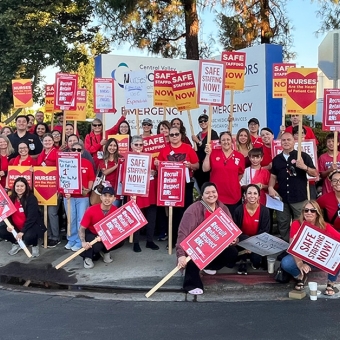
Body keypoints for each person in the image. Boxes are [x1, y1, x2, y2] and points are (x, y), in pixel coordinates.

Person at [177, 182, 239, 295]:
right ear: (202, 195)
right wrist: (181, 255)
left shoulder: (222, 208)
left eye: (214, 192)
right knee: (193, 254)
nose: (211, 195)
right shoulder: (192, 210)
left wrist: (234, 239)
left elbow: (231, 228)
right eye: (207, 193)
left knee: (232, 253)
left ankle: (209, 266)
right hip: (196, 246)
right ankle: (190, 284)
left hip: (214, 246)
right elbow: (183, 233)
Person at [281, 200, 340, 295]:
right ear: (303, 212)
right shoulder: (297, 224)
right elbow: (292, 248)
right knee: (286, 262)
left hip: (318, 259)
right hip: (301, 258)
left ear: (317, 213)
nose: (309, 213)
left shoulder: (325, 226)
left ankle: (330, 282)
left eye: (312, 211)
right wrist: (300, 263)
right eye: (306, 210)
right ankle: (300, 276)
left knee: (338, 256)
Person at [268, 132, 318, 241]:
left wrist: (304, 167)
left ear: (293, 141)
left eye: (288, 140)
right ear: (280, 142)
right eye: (284, 140)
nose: (286, 142)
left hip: (299, 197)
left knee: (300, 223)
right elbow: (273, 176)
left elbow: (315, 173)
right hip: (282, 198)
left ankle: (299, 246)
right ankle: (287, 246)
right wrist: (270, 187)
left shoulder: (302, 156)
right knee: (283, 222)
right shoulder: (277, 159)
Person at [157, 127, 199, 247]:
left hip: (186, 184)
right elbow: (159, 166)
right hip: (171, 185)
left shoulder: (188, 148)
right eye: (171, 135)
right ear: (168, 137)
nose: (174, 136)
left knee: (186, 213)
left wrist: (190, 165)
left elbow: (197, 165)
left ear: (181, 135)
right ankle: (173, 240)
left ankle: (186, 240)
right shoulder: (164, 150)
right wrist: (157, 165)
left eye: (176, 134)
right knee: (173, 214)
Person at [126, 135, 159, 252]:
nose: (139, 146)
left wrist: (155, 171)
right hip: (135, 192)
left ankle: (150, 240)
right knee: (136, 217)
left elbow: (155, 173)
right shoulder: (127, 158)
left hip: (150, 192)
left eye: (141, 144)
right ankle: (136, 242)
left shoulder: (149, 157)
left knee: (151, 216)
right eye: (136, 144)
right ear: (131, 146)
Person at [79, 186, 125, 269]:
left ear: (114, 199)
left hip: (105, 235)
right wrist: (83, 242)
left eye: (110, 196)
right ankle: (87, 258)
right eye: (105, 195)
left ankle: (105, 251)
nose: (107, 198)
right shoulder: (91, 210)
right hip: (92, 234)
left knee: (121, 240)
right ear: (101, 197)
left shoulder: (116, 211)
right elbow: (82, 228)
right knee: (96, 245)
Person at [0, 177, 46, 257]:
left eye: (22, 186)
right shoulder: (11, 198)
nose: (19, 188)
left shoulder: (31, 198)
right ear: (14, 187)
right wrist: (8, 225)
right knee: (1, 230)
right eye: (17, 186)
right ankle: (16, 243)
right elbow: (7, 213)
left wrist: (22, 231)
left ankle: (34, 245)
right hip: (16, 226)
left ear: (26, 187)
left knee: (29, 237)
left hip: (30, 226)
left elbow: (32, 218)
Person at [203, 131, 245, 216]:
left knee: (232, 223)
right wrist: (208, 155)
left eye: (228, 139)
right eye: (223, 140)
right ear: (220, 142)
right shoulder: (213, 153)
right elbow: (205, 169)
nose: (226, 142)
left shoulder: (239, 156)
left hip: (233, 195)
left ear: (232, 141)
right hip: (216, 196)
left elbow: (240, 173)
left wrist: (231, 181)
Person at [64, 142, 96, 251]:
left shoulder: (87, 163)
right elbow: (61, 178)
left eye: (79, 150)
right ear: (70, 151)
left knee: (81, 220)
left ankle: (79, 241)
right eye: (74, 149)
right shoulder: (65, 162)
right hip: (69, 196)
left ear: (82, 151)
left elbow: (92, 178)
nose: (76, 152)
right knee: (71, 219)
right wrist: (64, 191)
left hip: (83, 197)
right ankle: (71, 239)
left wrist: (89, 189)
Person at [233, 184, 271, 274]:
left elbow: (265, 230)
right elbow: (235, 229)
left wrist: (252, 244)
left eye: (255, 193)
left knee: (256, 264)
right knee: (245, 238)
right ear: (245, 196)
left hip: (258, 241)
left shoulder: (264, 211)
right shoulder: (238, 210)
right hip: (242, 241)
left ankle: (254, 259)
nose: (252, 196)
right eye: (249, 193)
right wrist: (246, 242)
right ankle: (243, 261)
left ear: (258, 196)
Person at [36, 133, 60, 248]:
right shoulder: (41, 153)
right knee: (44, 213)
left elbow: (60, 169)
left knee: (52, 213)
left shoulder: (57, 153)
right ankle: (48, 235)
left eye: (49, 140)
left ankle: (55, 237)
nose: (47, 142)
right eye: (45, 141)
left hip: (54, 187)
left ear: (53, 141)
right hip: (43, 187)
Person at [192, 113, 219, 191]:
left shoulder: (213, 133)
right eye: (200, 121)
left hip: (209, 166)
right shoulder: (198, 135)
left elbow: (211, 148)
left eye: (205, 120)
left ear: (208, 121)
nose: (203, 122)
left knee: (208, 187)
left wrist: (198, 141)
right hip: (199, 167)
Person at [99, 138, 124, 206]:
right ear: (107, 146)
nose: (112, 148)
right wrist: (116, 166)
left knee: (115, 211)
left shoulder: (121, 158)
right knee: (107, 211)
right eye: (110, 145)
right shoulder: (103, 159)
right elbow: (105, 172)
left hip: (118, 190)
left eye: (114, 145)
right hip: (106, 190)